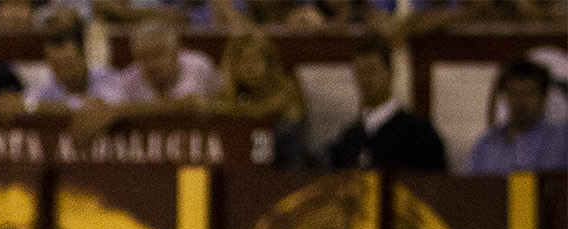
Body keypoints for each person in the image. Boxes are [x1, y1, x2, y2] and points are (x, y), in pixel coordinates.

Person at [325, 36, 444, 171]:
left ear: (390, 72)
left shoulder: (420, 134)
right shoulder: (349, 138)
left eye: (372, 70)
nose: (366, 80)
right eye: (360, 72)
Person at [216, 29, 310, 167]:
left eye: (255, 60)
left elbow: (260, 114)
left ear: (269, 62)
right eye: (242, 62)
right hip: (248, 166)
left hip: (288, 166)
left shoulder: (287, 86)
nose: (249, 68)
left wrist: (232, 109)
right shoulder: (237, 93)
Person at [466, 59, 568, 174]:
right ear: (504, 95)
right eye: (514, 93)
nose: (520, 101)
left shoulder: (561, 140)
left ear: (543, 97)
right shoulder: (486, 144)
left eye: (529, 94)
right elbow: (469, 187)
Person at [108, 14, 219, 109]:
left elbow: (222, 104)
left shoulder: (200, 66)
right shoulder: (129, 79)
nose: (151, 63)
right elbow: (111, 110)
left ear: (175, 52)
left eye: (157, 54)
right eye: (143, 57)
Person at [23, 8, 122, 111]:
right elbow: (27, 105)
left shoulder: (107, 78)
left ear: (84, 57)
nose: (64, 73)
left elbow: (112, 105)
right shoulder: (47, 84)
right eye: (56, 66)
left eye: (69, 65)